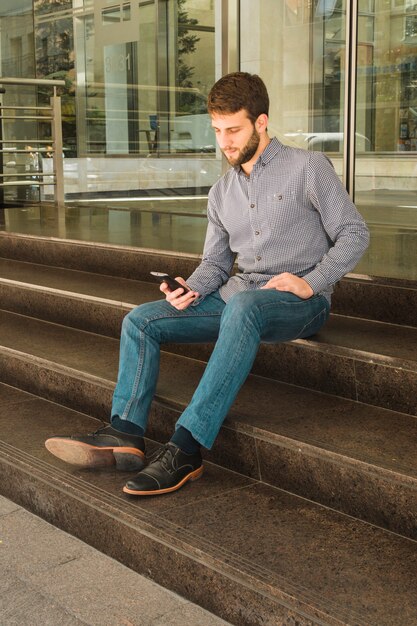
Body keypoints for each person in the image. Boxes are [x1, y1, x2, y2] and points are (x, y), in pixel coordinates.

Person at [45, 72, 370, 496]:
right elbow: (216, 263)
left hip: (296, 302)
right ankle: (124, 433)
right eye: (217, 131)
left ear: (261, 122)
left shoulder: (308, 168)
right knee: (141, 321)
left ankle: (186, 448)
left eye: (233, 130)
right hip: (238, 297)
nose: (225, 142)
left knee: (244, 306)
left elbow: (355, 233)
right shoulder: (221, 192)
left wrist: (314, 282)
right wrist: (190, 288)